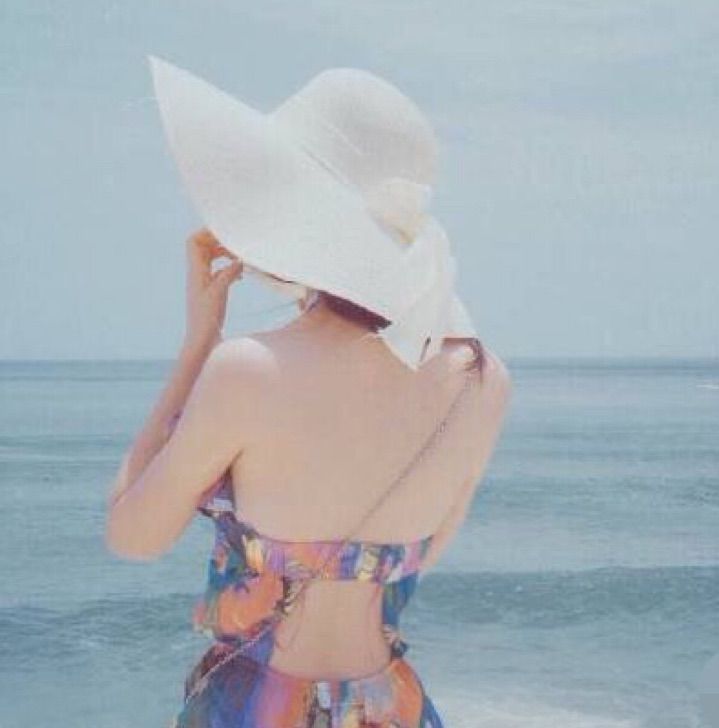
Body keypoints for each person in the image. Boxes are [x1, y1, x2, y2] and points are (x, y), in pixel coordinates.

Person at [105, 57, 511, 727]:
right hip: (392, 709)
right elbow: (427, 550)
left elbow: (132, 534)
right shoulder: (482, 380)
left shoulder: (248, 371)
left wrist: (197, 343)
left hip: (255, 708)